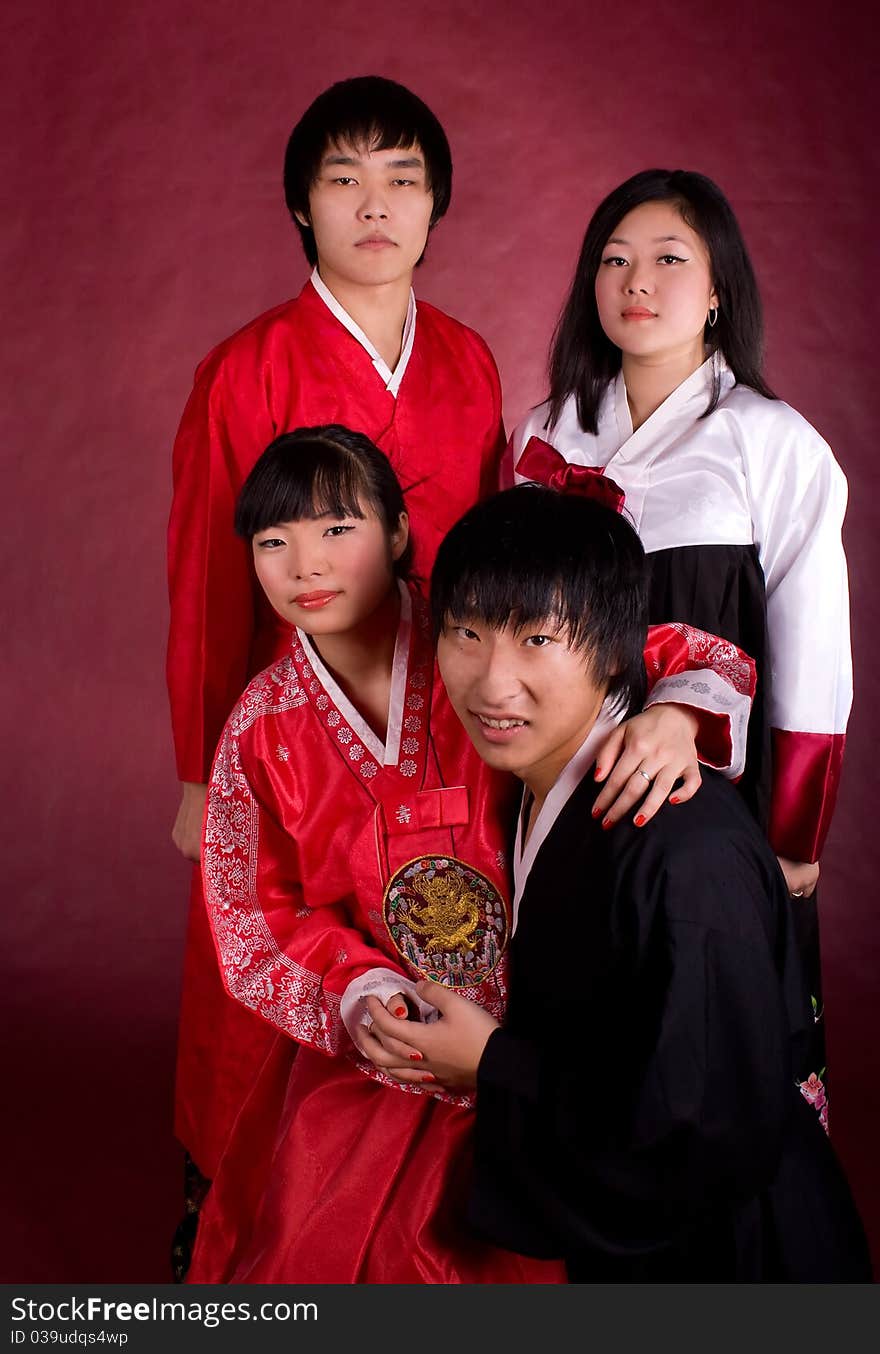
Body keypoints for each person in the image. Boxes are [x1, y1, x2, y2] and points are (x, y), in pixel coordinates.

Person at [187, 425, 756, 1283]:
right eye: (275, 541)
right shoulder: (262, 731)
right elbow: (257, 913)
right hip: (396, 1048)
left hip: (544, 1032)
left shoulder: (481, 628)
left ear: (400, 533)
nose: (307, 565)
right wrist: (367, 995)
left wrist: (674, 714)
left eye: (338, 529)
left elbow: (666, 650)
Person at [366, 485, 871, 1283]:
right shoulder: (540, 789)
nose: (493, 684)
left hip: (737, 1262)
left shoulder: (682, 848)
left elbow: (700, 1131)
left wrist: (493, 1062)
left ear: (614, 647)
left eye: (535, 639)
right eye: (466, 631)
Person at [167, 76, 508, 1197]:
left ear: (434, 205)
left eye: (401, 180)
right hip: (298, 731)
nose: (375, 206)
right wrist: (196, 761)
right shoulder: (246, 367)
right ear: (302, 206)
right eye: (344, 179)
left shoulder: (467, 360)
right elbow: (210, 586)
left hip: (448, 719)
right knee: (275, 955)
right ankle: (237, 1186)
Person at [506, 169, 851, 1119]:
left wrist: (793, 832)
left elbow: (812, 647)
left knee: (702, 1060)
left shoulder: (769, 442)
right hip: (552, 784)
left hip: (707, 793)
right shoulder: (544, 434)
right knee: (569, 1045)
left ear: (718, 291)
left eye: (667, 259)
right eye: (613, 261)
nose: (635, 282)